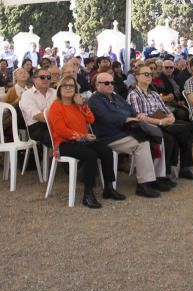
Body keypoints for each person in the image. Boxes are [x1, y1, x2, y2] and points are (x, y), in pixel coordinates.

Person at [89, 72, 173, 198]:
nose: (110, 85)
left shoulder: (115, 97)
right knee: (142, 143)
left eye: (112, 82)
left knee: (156, 138)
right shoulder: (94, 101)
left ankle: (156, 178)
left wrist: (136, 115)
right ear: (97, 85)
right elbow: (108, 118)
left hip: (125, 131)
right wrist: (127, 119)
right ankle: (144, 184)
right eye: (106, 83)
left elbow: (130, 110)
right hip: (109, 136)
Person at [47, 77, 124, 207]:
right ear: (59, 89)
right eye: (65, 85)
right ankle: (88, 194)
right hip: (64, 144)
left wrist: (82, 105)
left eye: (71, 86)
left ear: (76, 90)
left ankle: (109, 188)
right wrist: (83, 136)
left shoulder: (77, 105)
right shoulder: (56, 106)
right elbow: (61, 130)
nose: (68, 88)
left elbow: (91, 120)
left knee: (106, 151)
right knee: (90, 155)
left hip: (82, 140)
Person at [127, 64, 193, 181]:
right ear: (137, 77)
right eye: (145, 74)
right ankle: (166, 174)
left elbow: (166, 110)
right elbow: (140, 117)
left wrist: (171, 118)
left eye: (150, 74)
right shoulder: (134, 95)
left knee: (185, 131)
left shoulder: (154, 94)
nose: (149, 76)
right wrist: (160, 121)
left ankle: (183, 169)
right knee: (178, 134)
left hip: (163, 122)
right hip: (148, 126)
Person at [19, 66, 57, 150]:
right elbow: (38, 116)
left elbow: (64, 110)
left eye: (48, 77)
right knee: (62, 140)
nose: (46, 79)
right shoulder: (27, 95)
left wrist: (46, 113)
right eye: (42, 77)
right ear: (34, 79)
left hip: (56, 124)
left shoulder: (55, 93)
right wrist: (55, 115)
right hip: (37, 128)